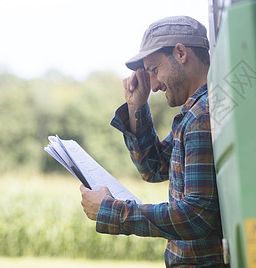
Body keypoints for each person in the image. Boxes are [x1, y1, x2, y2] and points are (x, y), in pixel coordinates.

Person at [79, 16, 224, 267]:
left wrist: (112, 211)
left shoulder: (203, 116)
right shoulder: (195, 113)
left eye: (154, 70)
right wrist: (137, 106)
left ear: (180, 53)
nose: (154, 85)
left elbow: (196, 216)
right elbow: (154, 168)